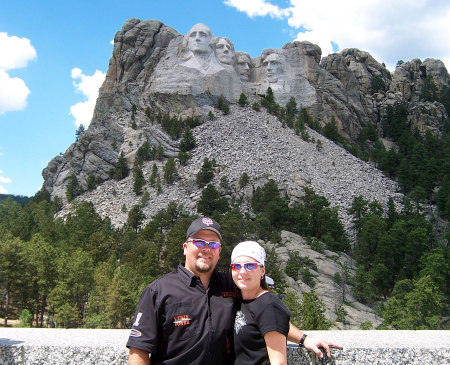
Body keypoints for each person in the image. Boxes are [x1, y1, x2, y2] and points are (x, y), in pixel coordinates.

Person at [127, 217, 341, 364]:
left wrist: (304, 339)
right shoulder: (158, 291)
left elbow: (268, 314)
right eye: (199, 241)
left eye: (213, 244)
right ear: (185, 247)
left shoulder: (231, 285)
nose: (206, 248)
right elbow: (139, 349)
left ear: (219, 251)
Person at [231, 241, 290, 365]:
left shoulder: (269, 305)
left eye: (250, 266)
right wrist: (303, 338)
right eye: (236, 266)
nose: (242, 271)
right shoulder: (240, 301)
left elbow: (278, 362)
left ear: (262, 270)